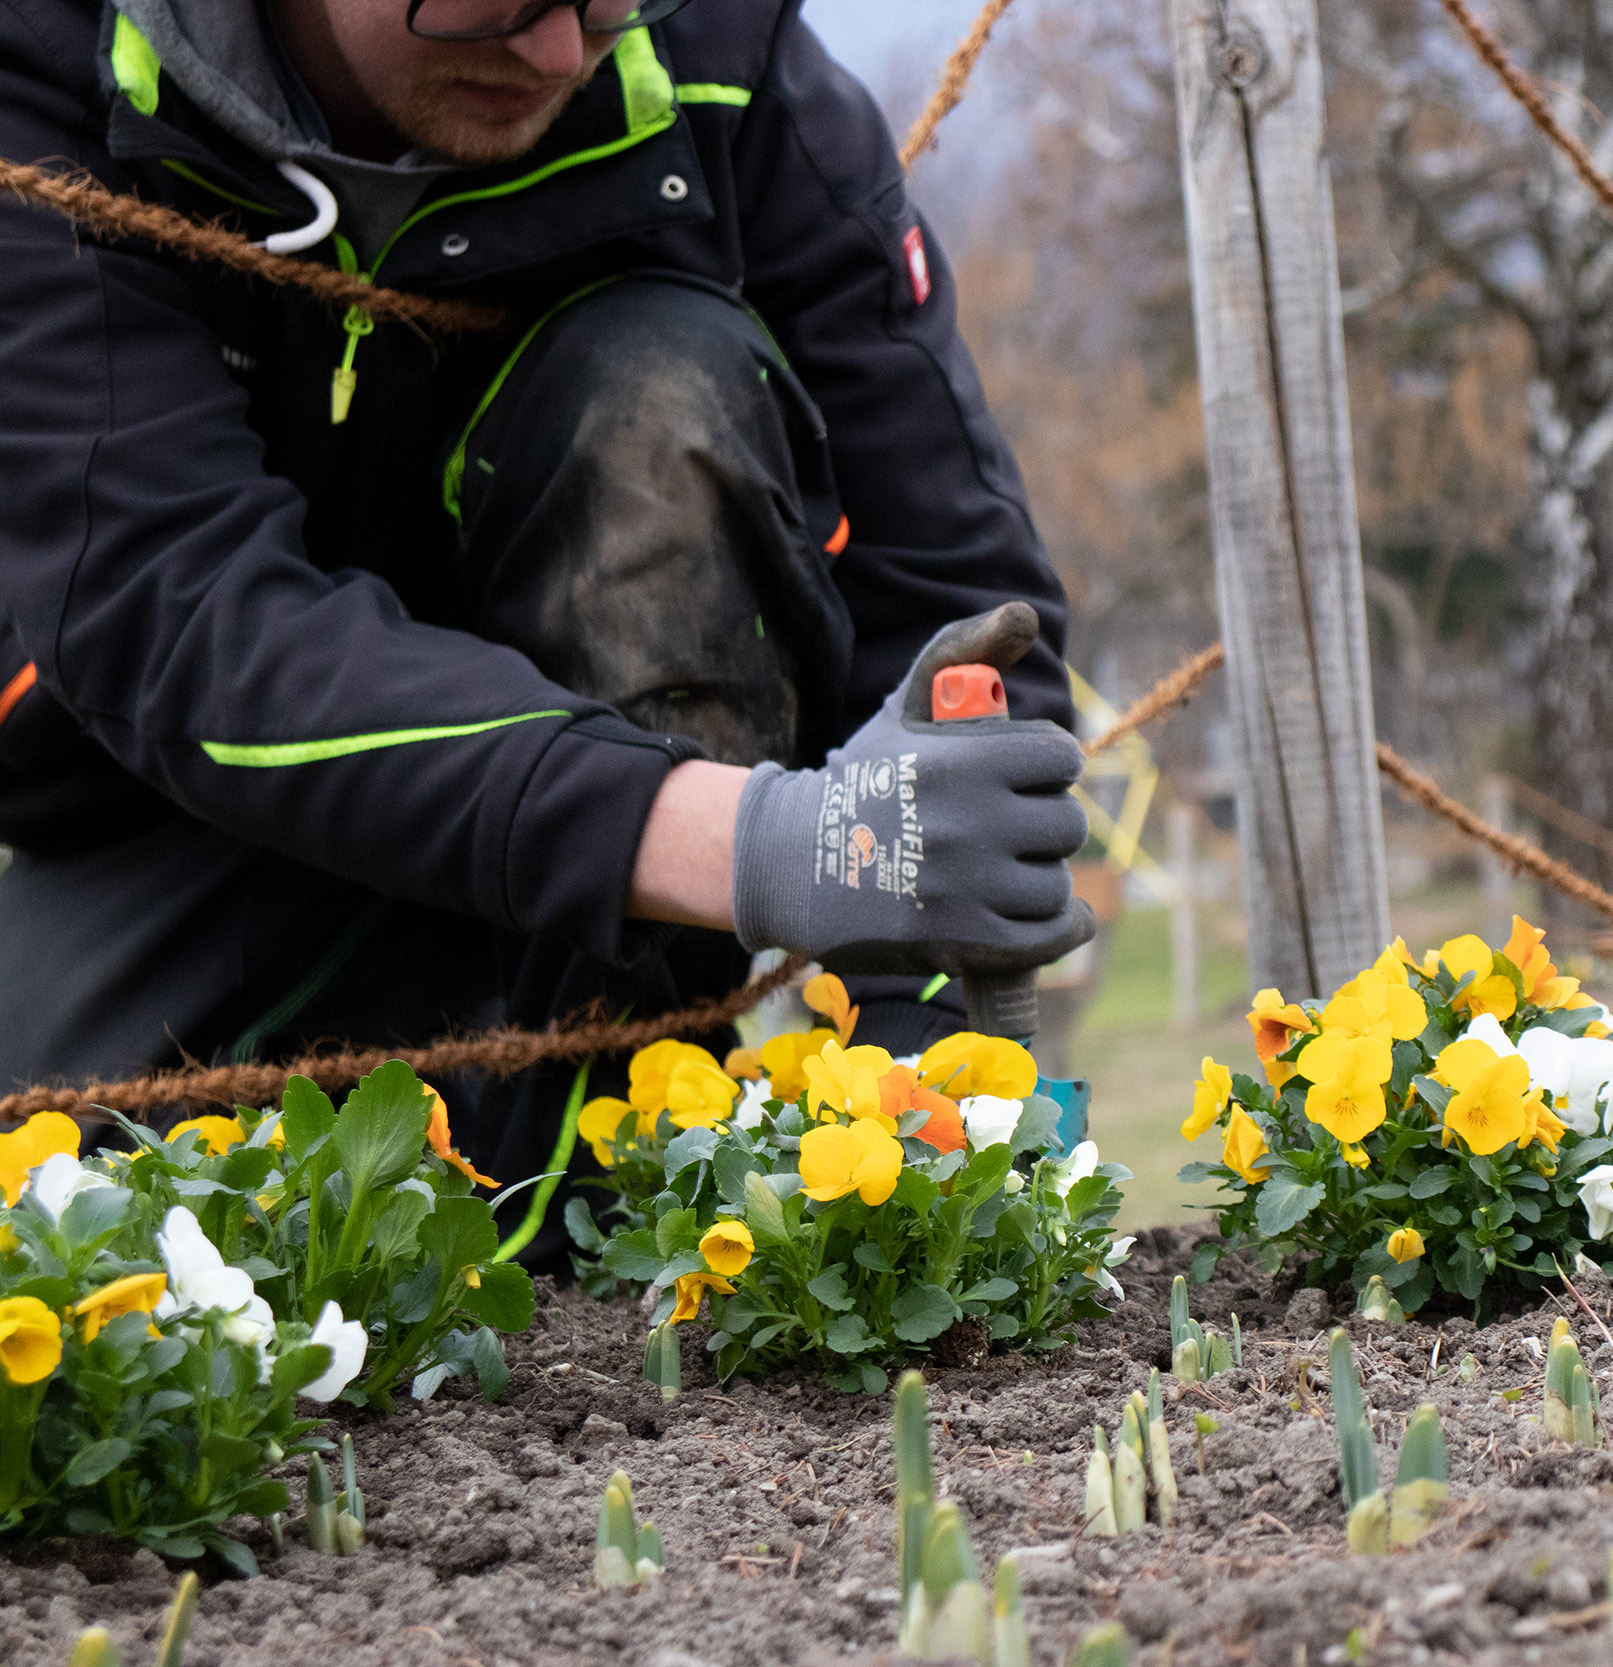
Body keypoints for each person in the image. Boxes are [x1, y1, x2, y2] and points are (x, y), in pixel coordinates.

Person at [0, 0, 1093, 1237]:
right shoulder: (46, 78)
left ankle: (615, 1160)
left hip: (627, 913)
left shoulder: (721, 65)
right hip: (176, 823)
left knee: (659, 383)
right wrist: (771, 846)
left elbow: (947, 582)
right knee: (85, 1251)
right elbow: (180, 616)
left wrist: (929, 1052)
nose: (561, 52)